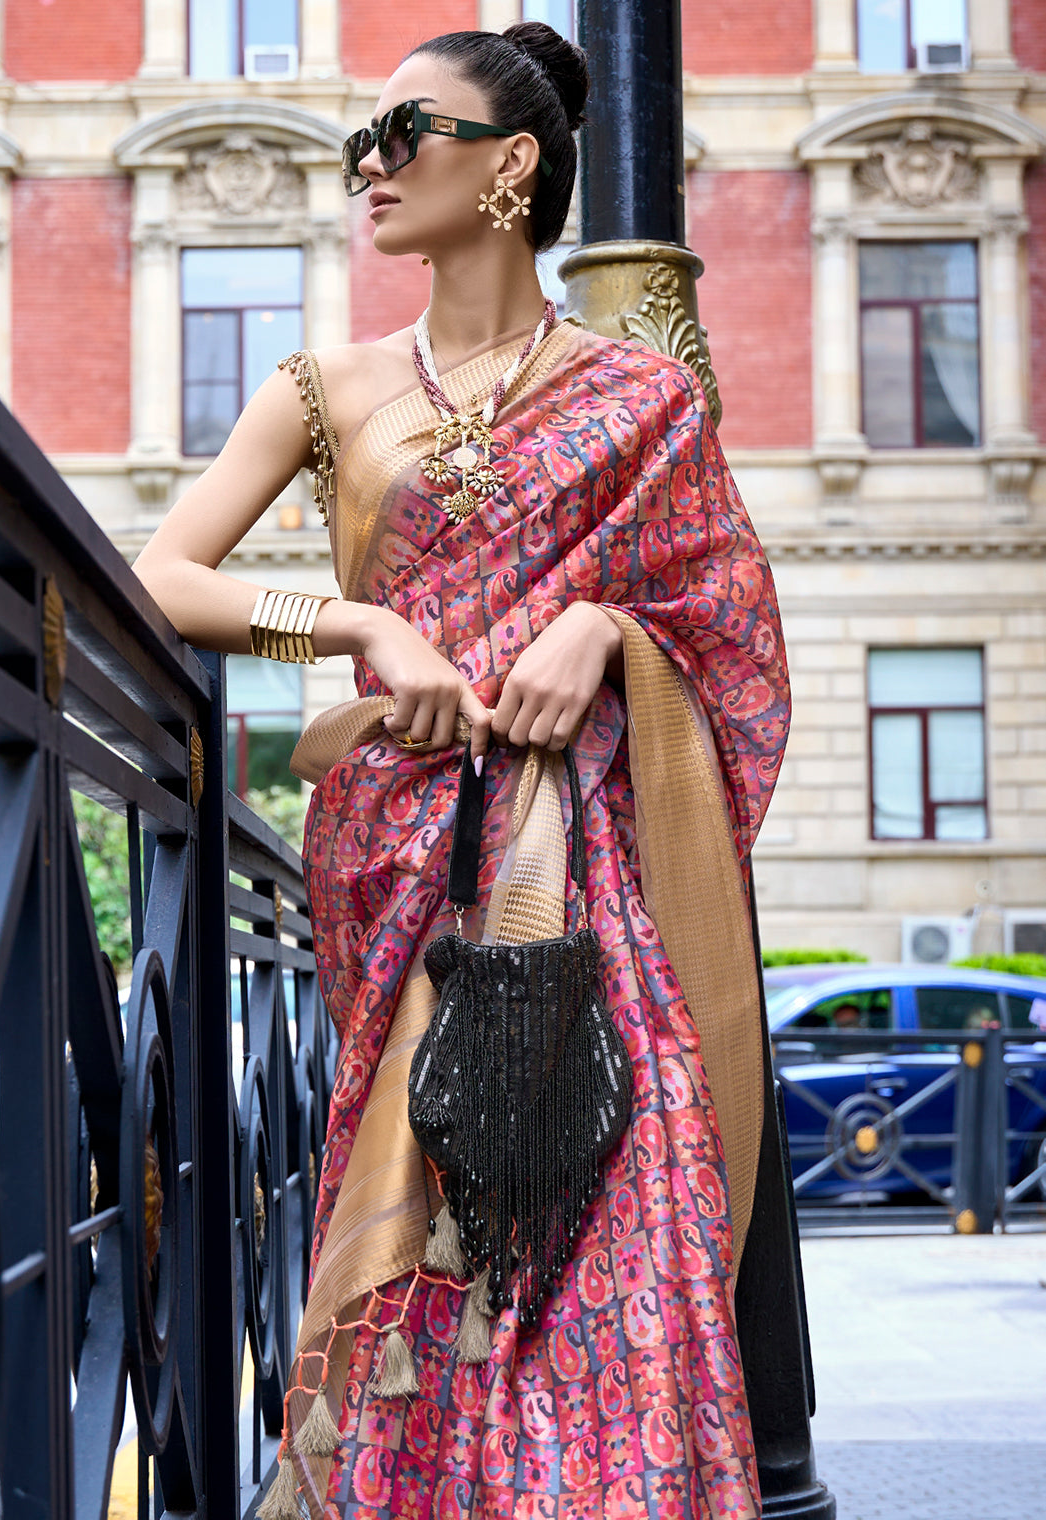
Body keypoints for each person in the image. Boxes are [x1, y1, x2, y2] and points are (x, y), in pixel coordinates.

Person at [134, 22, 789, 1520]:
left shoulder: (638, 395)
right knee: (425, 1222)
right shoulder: (327, 386)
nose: (367, 163)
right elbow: (171, 575)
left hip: (588, 873)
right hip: (398, 852)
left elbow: (729, 632)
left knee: (624, 1208)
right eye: (363, 138)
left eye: (402, 132)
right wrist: (358, 623)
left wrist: (607, 629)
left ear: (508, 167)